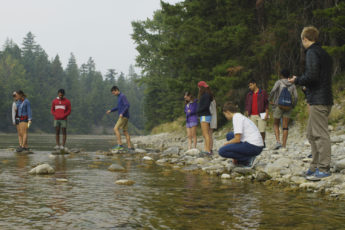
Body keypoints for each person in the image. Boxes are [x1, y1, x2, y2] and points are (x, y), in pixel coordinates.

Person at [288, 26, 333, 179]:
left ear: (305, 39)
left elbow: (312, 75)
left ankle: (324, 168)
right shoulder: (324, 53)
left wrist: (298, 80)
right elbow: (319, 76)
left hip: (319, 100)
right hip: (322, 97)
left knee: (320, 134)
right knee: (310, 133)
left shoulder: (312, 52)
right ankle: (314, 166)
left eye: (302, 40)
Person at [218, 102, 264, 167]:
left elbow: (237, 139)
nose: (225, 116)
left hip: (254, 147)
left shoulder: (236, 118)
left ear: (228, 112)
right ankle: (240, 160)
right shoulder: (239, 116)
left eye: (225, 114)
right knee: (229, 135)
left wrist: (228, 143)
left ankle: (247, 159)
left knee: (222, 151)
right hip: (257, 145)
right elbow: (237, 136)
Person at [269, 69, 298, 150]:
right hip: (288, 106)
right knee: (285, 126)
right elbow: (296, 97)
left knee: (275, 124)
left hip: (279, 105)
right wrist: (293, 105)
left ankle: (278, 141)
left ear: (281, 75)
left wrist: (270, 99)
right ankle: (284, 145)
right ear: (289, 75)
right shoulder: (292, 84)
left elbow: (273, 91)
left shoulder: (279, 82)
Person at [106, 86, 133, 151]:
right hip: (126, 116)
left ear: (116, 90)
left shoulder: (122, 96)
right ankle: (129, 148)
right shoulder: (119, 97)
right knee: (125, 131)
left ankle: (120, 145)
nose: (113, 94)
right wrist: (111, 110)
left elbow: (127, 105)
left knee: (115, 128)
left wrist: (122, 113)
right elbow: (118, 107)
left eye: (113, 93)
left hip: (123, 116)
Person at [245, 79, 269, 145]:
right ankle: (256, 143)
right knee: (253, 131)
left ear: (255, 84)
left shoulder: (263, 92)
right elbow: (247, 104)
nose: (250, 87)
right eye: (249, 86)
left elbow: (267, 103)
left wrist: (267, 113)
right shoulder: (249, 94)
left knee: (262, 130)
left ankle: (263, 143)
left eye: (251, 85)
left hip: (261, 114)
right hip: (251, 115)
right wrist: (247, 112)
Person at [197, 81, 213, 156]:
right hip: (205, 115)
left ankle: (207, 150)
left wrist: (197, 111)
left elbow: (205, 106)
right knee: (206, 134)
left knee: (205, 134)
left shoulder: (206, 95)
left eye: (199, 87)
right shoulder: (207, 94)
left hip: (204, 115)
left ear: (201, 87)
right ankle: (207, 149)